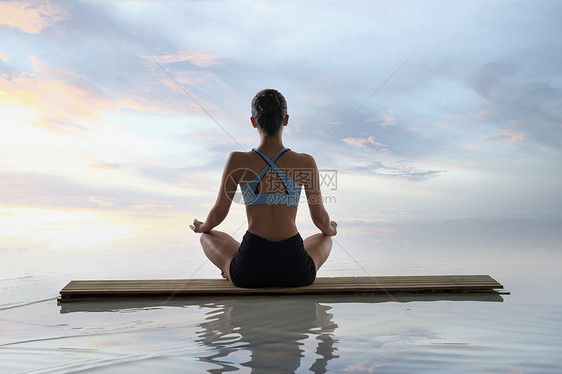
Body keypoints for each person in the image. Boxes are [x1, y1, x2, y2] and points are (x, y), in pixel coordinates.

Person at [190, 89, 337, 288]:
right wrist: (331, 229)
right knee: (324, 238)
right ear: (285, 120)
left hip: (249, 270)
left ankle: (228, 268)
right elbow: (319, 218)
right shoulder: (305, 162)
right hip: (296, 270)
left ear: (253, 121)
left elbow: (219, 212)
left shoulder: (237, 160)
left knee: (208, 236)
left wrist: (203, 227)